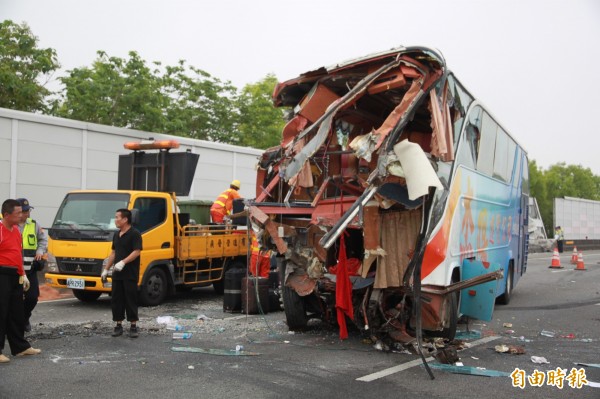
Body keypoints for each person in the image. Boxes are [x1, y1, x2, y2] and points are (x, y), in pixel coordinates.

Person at [0, 199, 42, 363]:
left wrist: (22, 273)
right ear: (7, 215)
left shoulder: (17, 230)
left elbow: (18, 253)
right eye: (17, 213)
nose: (21, 215)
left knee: (16, 311)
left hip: (15, 274)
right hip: (1, 274)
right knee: (1, 312)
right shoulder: (0, 229)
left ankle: (20, 347)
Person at [100, 209, 142, 338]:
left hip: (130, 273)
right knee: (117, 299)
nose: (115, 220)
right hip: (117, 274)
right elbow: (114, 253)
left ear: (125, 219)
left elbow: (137, 251)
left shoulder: (135, 234)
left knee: (130, 299)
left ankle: (133, 326)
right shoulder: (116, 234)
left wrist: (123, 262)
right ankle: (118, 325)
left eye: (117, 217)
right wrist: (106, 269)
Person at [16, 198, 48, 332]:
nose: (27, 213)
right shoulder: (10, 224)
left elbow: (43, 239)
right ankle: (14, 325)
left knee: (32, 298)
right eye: (24, 211)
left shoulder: (34, 224)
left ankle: (24, 318)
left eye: (28, 210)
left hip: (30, 269)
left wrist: (40, 251)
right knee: (14, 299)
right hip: (15, 270)